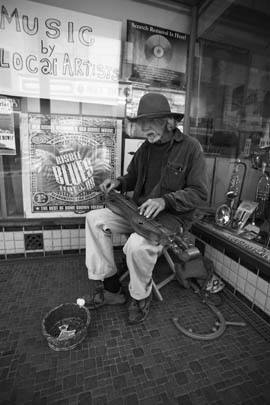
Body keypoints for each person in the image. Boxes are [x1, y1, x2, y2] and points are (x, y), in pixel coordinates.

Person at [84, 93, 209, 324]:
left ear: (168, 122)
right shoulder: (146, 148)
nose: (144, 128)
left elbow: (200, 194)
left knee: (137, 245)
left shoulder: (191, 148)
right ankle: (112, 288)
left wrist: (165, 201)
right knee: (94, 218)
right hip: (138, 213)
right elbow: (132, 177)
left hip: (172, 219)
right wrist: (119, 183)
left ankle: (140, 297)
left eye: (149, 122)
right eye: (142, 123)